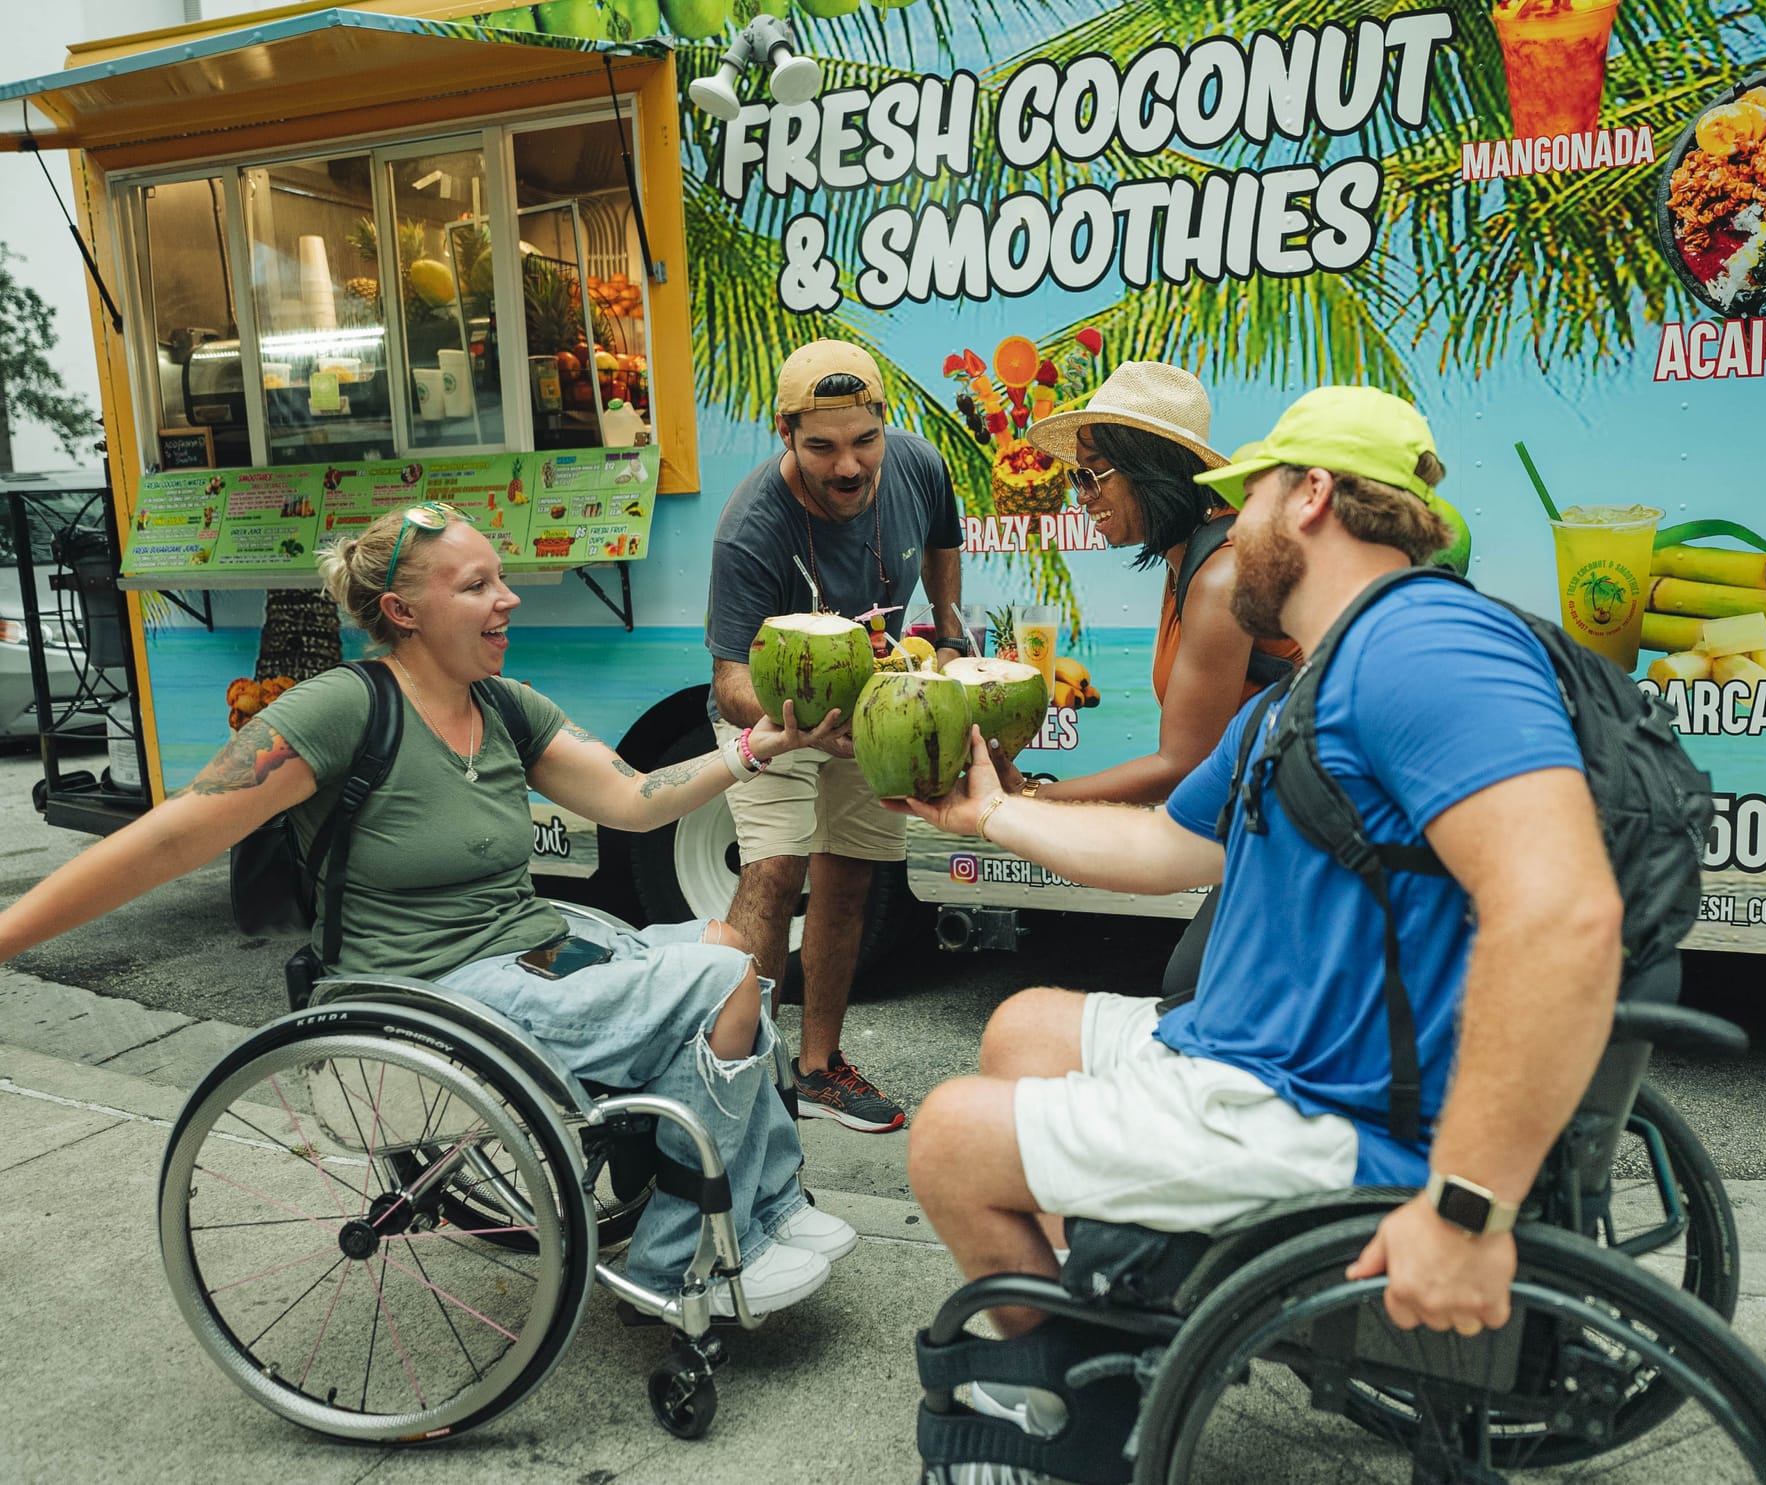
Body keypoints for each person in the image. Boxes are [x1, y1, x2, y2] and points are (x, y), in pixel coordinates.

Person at [895, 387, 1625, 1361]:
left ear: (1310, 496)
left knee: (948, 1137)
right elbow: (1164, 849)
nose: (1230, 523)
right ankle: (1119, 1315)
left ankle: (1073, 1394)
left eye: (1247, 496)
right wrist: (992, 815)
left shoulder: (1423, 643)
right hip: (1257, 1047)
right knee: (1023, 1024)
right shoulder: (1303, 689)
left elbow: (1565, 913)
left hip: (1332, 1104)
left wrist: (1464, 1213)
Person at [0, 503, 859, 1319]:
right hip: (429, 989)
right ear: (402, 610)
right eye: (478, 584)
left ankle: (766, 1206)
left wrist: (757, 748)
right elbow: (170, 839)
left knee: (727, 952)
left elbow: (633, 799)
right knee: (723, 980)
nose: (508, 598)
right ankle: (690, 1260)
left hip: (533, 956)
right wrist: (9, 933)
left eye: (501, 580)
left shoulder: (504, 706)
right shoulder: (343, 708)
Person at [704, 339, 966, 1134]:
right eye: (822, 446)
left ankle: (819, 1068)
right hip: (779, 712)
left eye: (863, 440)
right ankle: (733, 1072)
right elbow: (728, 683)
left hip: (876, 700)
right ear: (785, 433)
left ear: (885, 424)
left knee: (850, 877)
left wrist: (948, 634)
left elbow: (945, 540)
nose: (848, 465)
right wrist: (802, 727)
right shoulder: (752, 528)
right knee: (777, 870)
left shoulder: (920, 464)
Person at [1003, 361, 1302, 805]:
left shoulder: (1221, 575)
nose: (1082, 497)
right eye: (1075, 479)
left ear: (1151, 469)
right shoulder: (1186, 558)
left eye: (1091, 475)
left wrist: (1027, 797)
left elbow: (1182, 765)